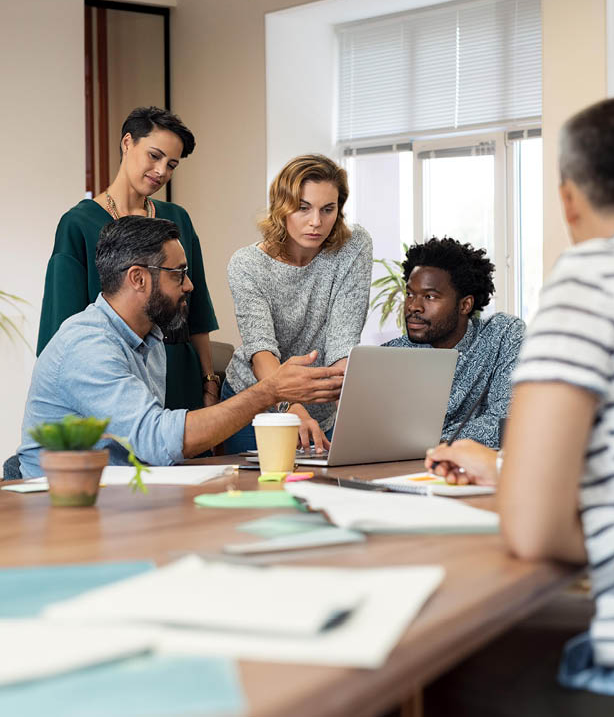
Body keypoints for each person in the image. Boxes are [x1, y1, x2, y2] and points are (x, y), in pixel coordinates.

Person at [424, 97, 614, 711]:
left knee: (431, 673)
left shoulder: (589, 277)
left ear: (568, 198)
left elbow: (533, 531)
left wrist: (528, 492)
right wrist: (508, 469)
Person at [18, 217, 344, 478]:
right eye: (179, 274)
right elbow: (156, 439)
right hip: (61, 507)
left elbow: (149, 448)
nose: (189, 285)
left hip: (123, 497)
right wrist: (269, 390)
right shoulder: (87, 344)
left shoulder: (151, 337)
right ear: (138, 278)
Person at [36, 106, 220, 413]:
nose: (162, 171)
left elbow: (196, 309)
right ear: (127, 143)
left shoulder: (178, 220)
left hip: (178, 374)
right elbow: (61, 325)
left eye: (172, 164)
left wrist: (209, 379)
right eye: (154, 155)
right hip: (111, 377)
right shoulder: (78, 223)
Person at [222, 154, 373, 454]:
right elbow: (261, 351)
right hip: (257, 402)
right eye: (303, 208)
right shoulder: (248, 264)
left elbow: (343, 342)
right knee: (263, 494)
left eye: (327, 209)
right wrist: (292, 407)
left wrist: (356, 417)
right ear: (282, 207)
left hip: (320, 408)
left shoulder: (354, 247)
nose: (316, 222)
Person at [383, 238, 525, 448]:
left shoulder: (503, 335)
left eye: (429, 297)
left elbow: (507, 420)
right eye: (410, 294)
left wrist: (433, 442)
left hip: (472, 472)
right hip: (398, 471)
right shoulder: (391, 355)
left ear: (465, 305)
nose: (414, 306)